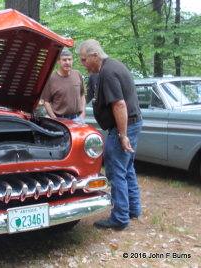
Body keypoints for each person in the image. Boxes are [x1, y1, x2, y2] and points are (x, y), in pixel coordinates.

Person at [76, 39, 143, 230]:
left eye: (83, 60)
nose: (82, 65)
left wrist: (122, 135)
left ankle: (120, 218)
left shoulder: (108, 72)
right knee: (127, 168)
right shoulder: (113, 66)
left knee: (116, 172)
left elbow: (119, 104)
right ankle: (133, 209)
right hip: (133, 123)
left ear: (94, 56)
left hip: (124, 127)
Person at [41, 49, 85, 122]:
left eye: (69, 59)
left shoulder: (77, 74)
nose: (67, 62)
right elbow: (46, 101)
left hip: (78, 119)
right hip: (60, 119)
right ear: (58, 61)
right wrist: (54, 118)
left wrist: (83, 113)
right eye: (64, 60)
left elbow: (82, 95)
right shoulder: (51, 78)